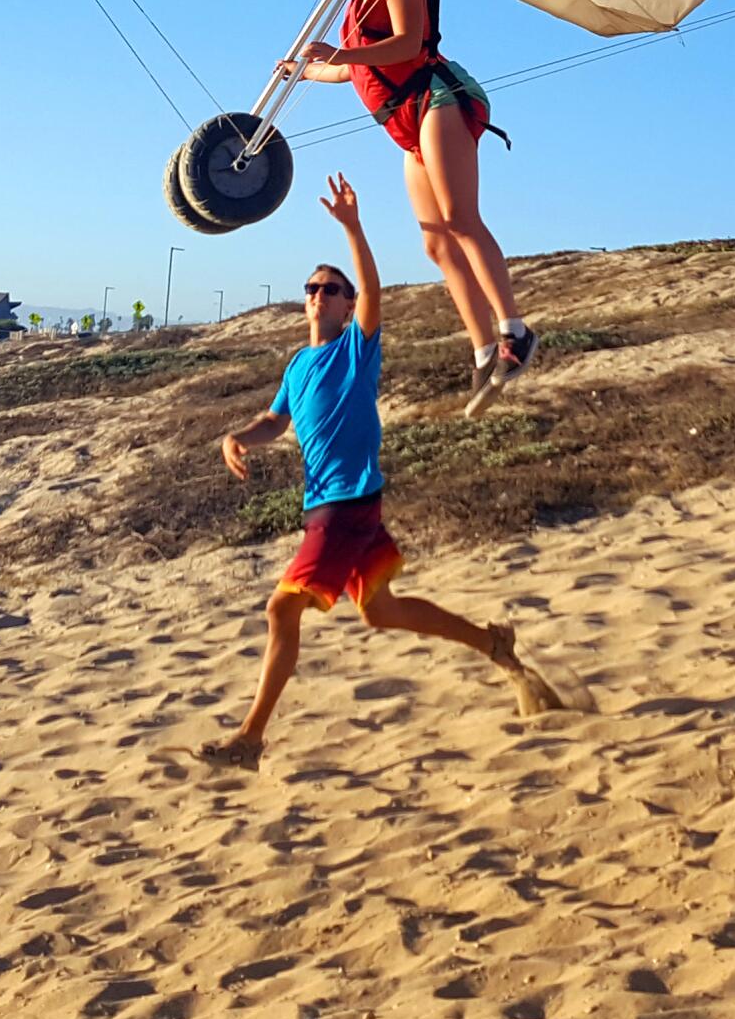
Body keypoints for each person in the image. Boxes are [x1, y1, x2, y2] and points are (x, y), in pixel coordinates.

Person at [197, 174, 565, 773]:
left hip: (343, 504)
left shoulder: (356, 348)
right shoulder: (298, 364)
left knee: (281, 611)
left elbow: (373, 290)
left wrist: (352, 229)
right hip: (337, 503)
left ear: (345, 305)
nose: (320, 293)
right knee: (381, 611)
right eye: (313, 287)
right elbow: (275, 420)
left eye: (331, 288)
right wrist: (239, 436)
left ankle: (251, 738)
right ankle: (492, 643)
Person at [279, 0, 534, 418]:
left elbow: (408, 43)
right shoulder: (355, 2)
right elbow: (352, 71)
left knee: (460, 219)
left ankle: (516, 330)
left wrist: (342, 55)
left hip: (436, 97)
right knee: (436, 243)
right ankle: (485, 350)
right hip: (408, 123)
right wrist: (305, 72)